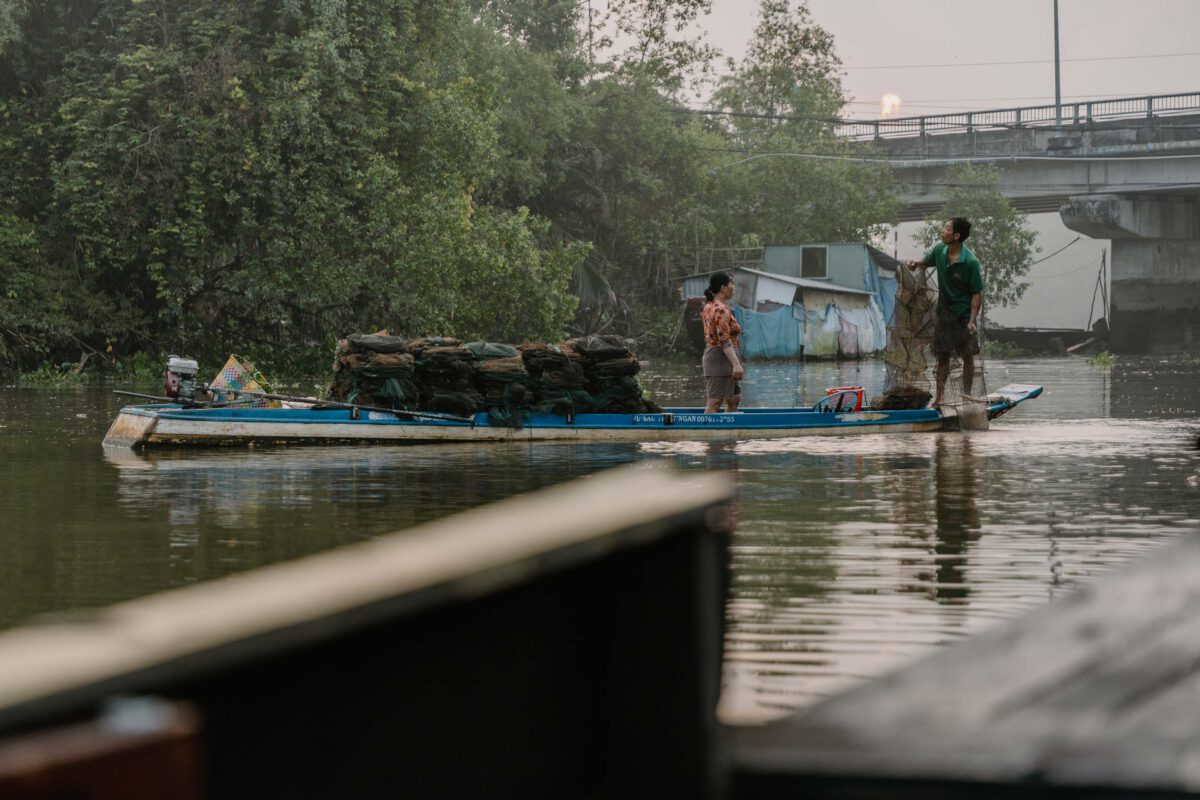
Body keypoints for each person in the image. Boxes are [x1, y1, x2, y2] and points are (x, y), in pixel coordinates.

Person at [905, 217, 984, 408]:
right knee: (942, 355)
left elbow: (977, 293)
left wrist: (972, 320)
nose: (943, 231)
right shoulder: (940, 251)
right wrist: (914, 263)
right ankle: (939, 398)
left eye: (947, 229)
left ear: (956, 235)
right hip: (944, 312)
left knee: (967, 355)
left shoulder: (970, 262)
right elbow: (924, 262)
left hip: (964, 313)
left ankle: (966, 394)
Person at [701, 271, 744, 413]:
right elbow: (724, 340)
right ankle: (707, 432)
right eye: (732, 284)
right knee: (715, 401)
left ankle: (729, 430)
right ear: (723, 288)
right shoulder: (720, 309)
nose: (734, 287)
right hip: (720, 359)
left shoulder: (710, 305)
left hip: (723, 358)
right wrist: (736, 365)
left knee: (734, 398)